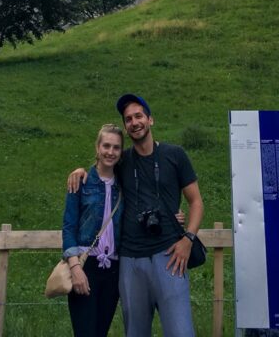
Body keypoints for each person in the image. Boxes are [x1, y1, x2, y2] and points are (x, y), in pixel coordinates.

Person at [69, 94, 204, 337]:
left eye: (139, 116)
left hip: (169, 255)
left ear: (150, 119)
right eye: (128, 119)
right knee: (136, 332)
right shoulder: (122, 161)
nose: (134, 122)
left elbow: (196, 202)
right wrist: (80, 171)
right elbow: (101, 172)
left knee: (180, 331)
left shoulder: (175, 155)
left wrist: (188, 239)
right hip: (130, 260)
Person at [62, 124, 125, 337]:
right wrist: (75, 268)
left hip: (114, 270)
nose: (110, 152)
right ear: (97, 148)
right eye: (106, 146)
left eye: (116, 147)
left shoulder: (124, 185)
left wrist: (174, 215)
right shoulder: (81, 181)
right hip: (85, 266)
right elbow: (69, 226)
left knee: (100, 331)